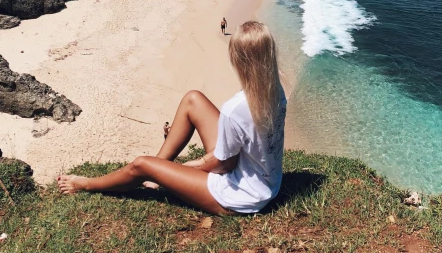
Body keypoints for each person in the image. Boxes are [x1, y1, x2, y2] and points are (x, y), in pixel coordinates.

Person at [57, 21, 286, 216]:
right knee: (193, 99)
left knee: (142, 164)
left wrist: (185, 166)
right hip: (266, 184)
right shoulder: (276, 92)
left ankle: (86, 184)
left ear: (237, 59)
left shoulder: (234, 109)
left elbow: (225, 163)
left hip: (239, 196)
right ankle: (158, 175)